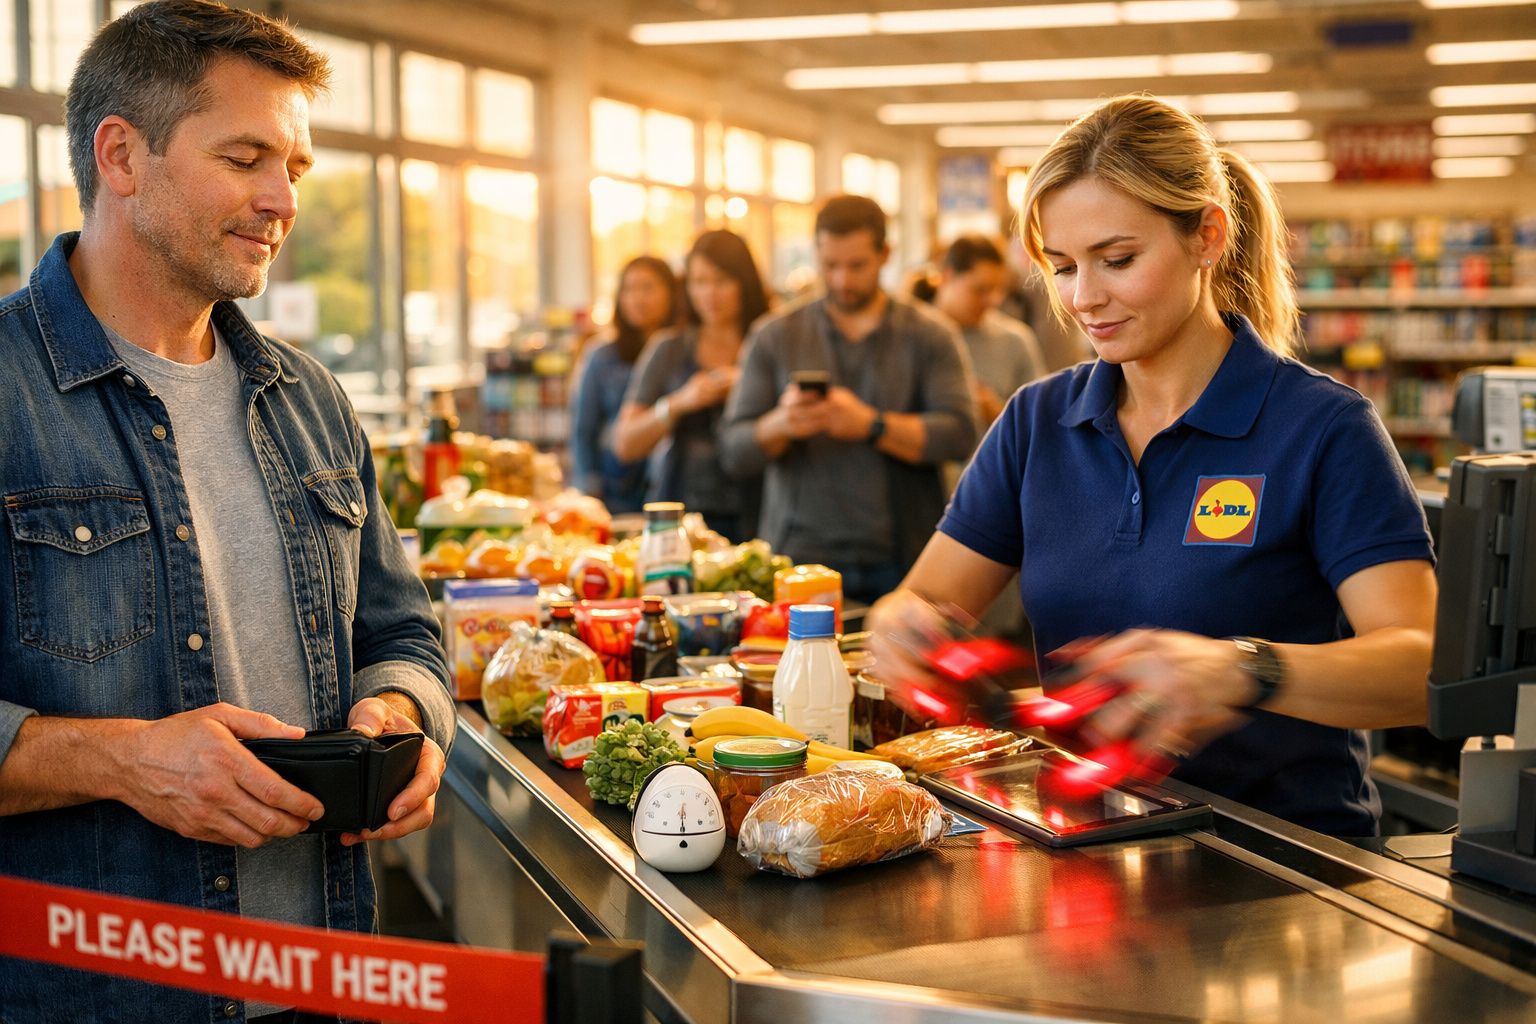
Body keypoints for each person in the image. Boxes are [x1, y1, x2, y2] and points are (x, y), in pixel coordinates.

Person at [0, 3, 455, 1021]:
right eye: (245, 157)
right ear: (121, 154)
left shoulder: (311, 400)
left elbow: (402, 630)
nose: (280, 199)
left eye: (293, 165)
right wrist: (125, 760)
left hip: (325, 980)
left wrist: (404, 716)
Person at [869, 95, 1436, 838]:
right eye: (1063, 267)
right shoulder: (1036, 423)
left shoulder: (1323, 428)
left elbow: (1422, 671)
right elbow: (925, 601)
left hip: (1287, 868)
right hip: (1085, 852)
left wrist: (1247, 670)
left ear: (1207, 236)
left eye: (1118, 260)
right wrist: (901, 625)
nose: (1084, 298)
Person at [719, 195, 978, 602]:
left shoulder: (929, 334)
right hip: (798, 558)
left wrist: (871, 425)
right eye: (830, 266)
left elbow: (961, 433)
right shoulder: (774, 335)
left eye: (857, 266)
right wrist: (781, 424)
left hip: (904, 556)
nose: (842, 280)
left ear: (885, 254)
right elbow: (734, 451)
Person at [612, 230, 770, 543]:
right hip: (682, 519)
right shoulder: (669, 349)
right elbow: (626, 443)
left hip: (763, 512)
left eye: (722, 281)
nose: (709, 294)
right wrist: (680, 401)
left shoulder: (770, 343)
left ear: (744, 282)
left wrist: (749, 387)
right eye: (699, 282)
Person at [569, 256, 679, 515]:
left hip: (672, 487)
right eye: (628, 289)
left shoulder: (683, 351)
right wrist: (590, 488)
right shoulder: (602, 356)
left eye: (647, 288)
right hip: (616, 490)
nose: (637, 299)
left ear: (671, 293)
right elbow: (583, 428)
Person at [914, 235, 1047, 426]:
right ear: (948, 276)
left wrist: (997, 411)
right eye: (980, 290)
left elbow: (1041, 421)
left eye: (996, 290)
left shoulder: (1015, 340)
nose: (991, 301)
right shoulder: (912, 334)